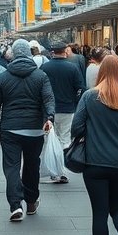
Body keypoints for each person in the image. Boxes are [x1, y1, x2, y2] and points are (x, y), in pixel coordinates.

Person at [72, 56, 118, 235]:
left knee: (100, 213)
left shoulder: (89, 96)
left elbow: (76, 128)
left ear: (101, 71)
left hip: (94, 162)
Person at [0, 39, 55, 222]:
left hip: (10, 129)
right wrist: (49, 118)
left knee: (11, 167)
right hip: (34, 129)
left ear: (13, 54)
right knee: (32, 166)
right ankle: (31, 202)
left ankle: (16, 205)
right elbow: (48, 98)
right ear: (29, 53)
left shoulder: (2, 77)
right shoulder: (40, 76)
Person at [40, 41, 85, 184]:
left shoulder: (44, 67)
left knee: (50, 140)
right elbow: (80, 88)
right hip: (68, 108)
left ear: (52, 52)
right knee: (65, 139)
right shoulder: (72, 68)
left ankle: (54, 171)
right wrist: (75, 101)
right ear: (65, 51)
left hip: (49, 110)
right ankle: (63, 170)